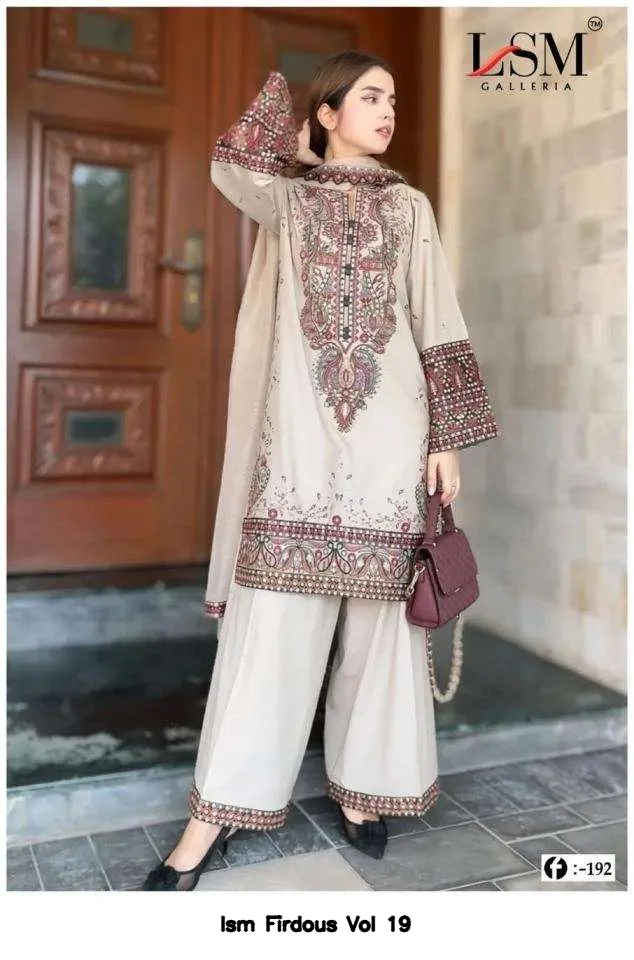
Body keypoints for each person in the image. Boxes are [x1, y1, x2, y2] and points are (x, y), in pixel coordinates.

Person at [142, 50, 499, 892]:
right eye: (369, 97)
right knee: (271, 631)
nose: (388, 110)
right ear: (329, 114)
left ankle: (364, 790)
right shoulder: (287, 200)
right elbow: (234, 159)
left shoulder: (410, 208)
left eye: (394, 98)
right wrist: (303, 147)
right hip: (296, 450)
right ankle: (214, 814)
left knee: (380, 633)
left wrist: (446, 437)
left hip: (391, 442)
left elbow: (437, 318)